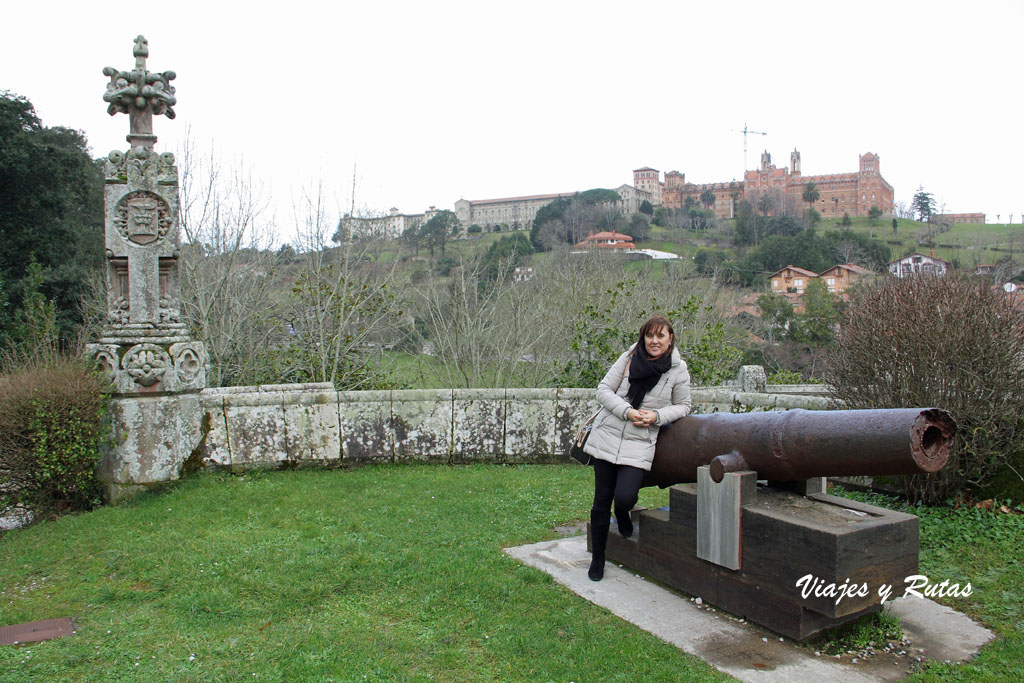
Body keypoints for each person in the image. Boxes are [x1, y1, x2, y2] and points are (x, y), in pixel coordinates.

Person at [582, 315, 691, 581]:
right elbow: (604, 390)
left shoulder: (678, 369)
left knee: (625, 497)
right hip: (608, 434)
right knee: (600, 502)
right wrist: (627, 411)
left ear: (670, 338)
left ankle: (623, 514)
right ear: (643, 338)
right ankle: (598, 558)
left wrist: (657, 417)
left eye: (660, 336)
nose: (654, 341)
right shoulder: (630, 356)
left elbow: (684, 406)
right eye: (649, 336)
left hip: (640, 440)